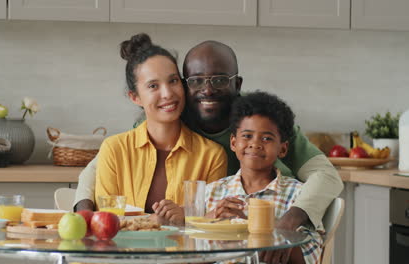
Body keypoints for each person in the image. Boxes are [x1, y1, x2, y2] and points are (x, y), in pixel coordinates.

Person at [74, 39, 343, 235]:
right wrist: (86, 216)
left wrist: (287, 223)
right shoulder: (170, 114)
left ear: (237, 84)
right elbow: (96, 169)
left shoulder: (262, 118)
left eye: (219, 80)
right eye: (195, 81)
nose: (207, 90)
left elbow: (326, 176)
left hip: (264, 222)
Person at [94, 33, 227, 224]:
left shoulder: (212, 156)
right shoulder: (114, 150)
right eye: (153, 86)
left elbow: (214, 225)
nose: (167, 94)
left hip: (189, 253)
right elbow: (106, 221)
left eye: (173, 81)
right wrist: (155, 221)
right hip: (124, 253)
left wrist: (186, 217)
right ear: (135, 97)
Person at [205, 91, 323, 264]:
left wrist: (273, 236)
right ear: (233, 143)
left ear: (282, 149)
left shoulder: (299, 196)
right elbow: (190, 254)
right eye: (247, 136)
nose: (255, 144)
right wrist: (210, 222)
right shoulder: (213, 192)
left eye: (267, 138)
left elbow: (311, 256)